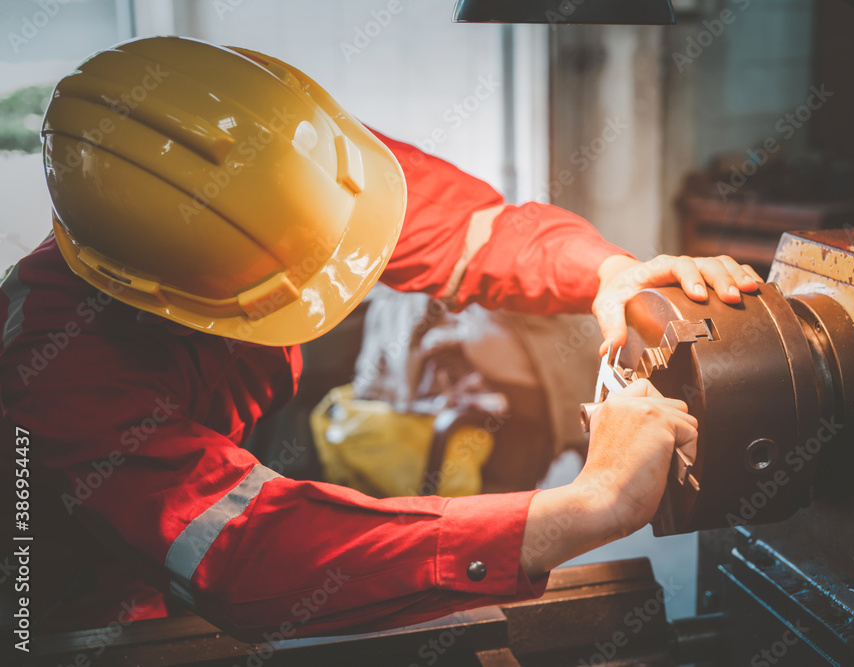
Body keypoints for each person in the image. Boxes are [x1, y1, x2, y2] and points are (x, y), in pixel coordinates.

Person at [0, 36, 761, 640]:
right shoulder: (55, 375)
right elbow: (250, 550)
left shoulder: (287, 161)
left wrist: (606, 271)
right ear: (158, 297)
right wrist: (581, 507)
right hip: (64, 604)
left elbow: (466, 229)